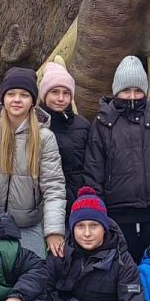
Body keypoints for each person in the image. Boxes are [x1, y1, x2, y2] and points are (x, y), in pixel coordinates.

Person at [83, 56, 150, 256]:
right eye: (126, 90)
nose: (132, 96)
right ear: (116, 91)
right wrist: (98, 206)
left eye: (137, 90)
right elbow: (94, 166)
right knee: (123, 262)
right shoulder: (103, 121)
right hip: (118, 210)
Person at [0, 67, 67, 256]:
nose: (17, 99)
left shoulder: (45, 138)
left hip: (28, 224)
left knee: (35, 270)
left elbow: (54, 186)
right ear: (3, 98)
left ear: (33, 101)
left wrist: (54, 230)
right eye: (11, 94)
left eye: (24, 95)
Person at [40, 61, 91, 208]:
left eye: (66, 93)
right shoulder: (35, 125)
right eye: (55, 92)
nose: (61, 98)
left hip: (79, 202)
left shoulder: (82, 124)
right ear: (45, 94)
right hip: (47, 203)